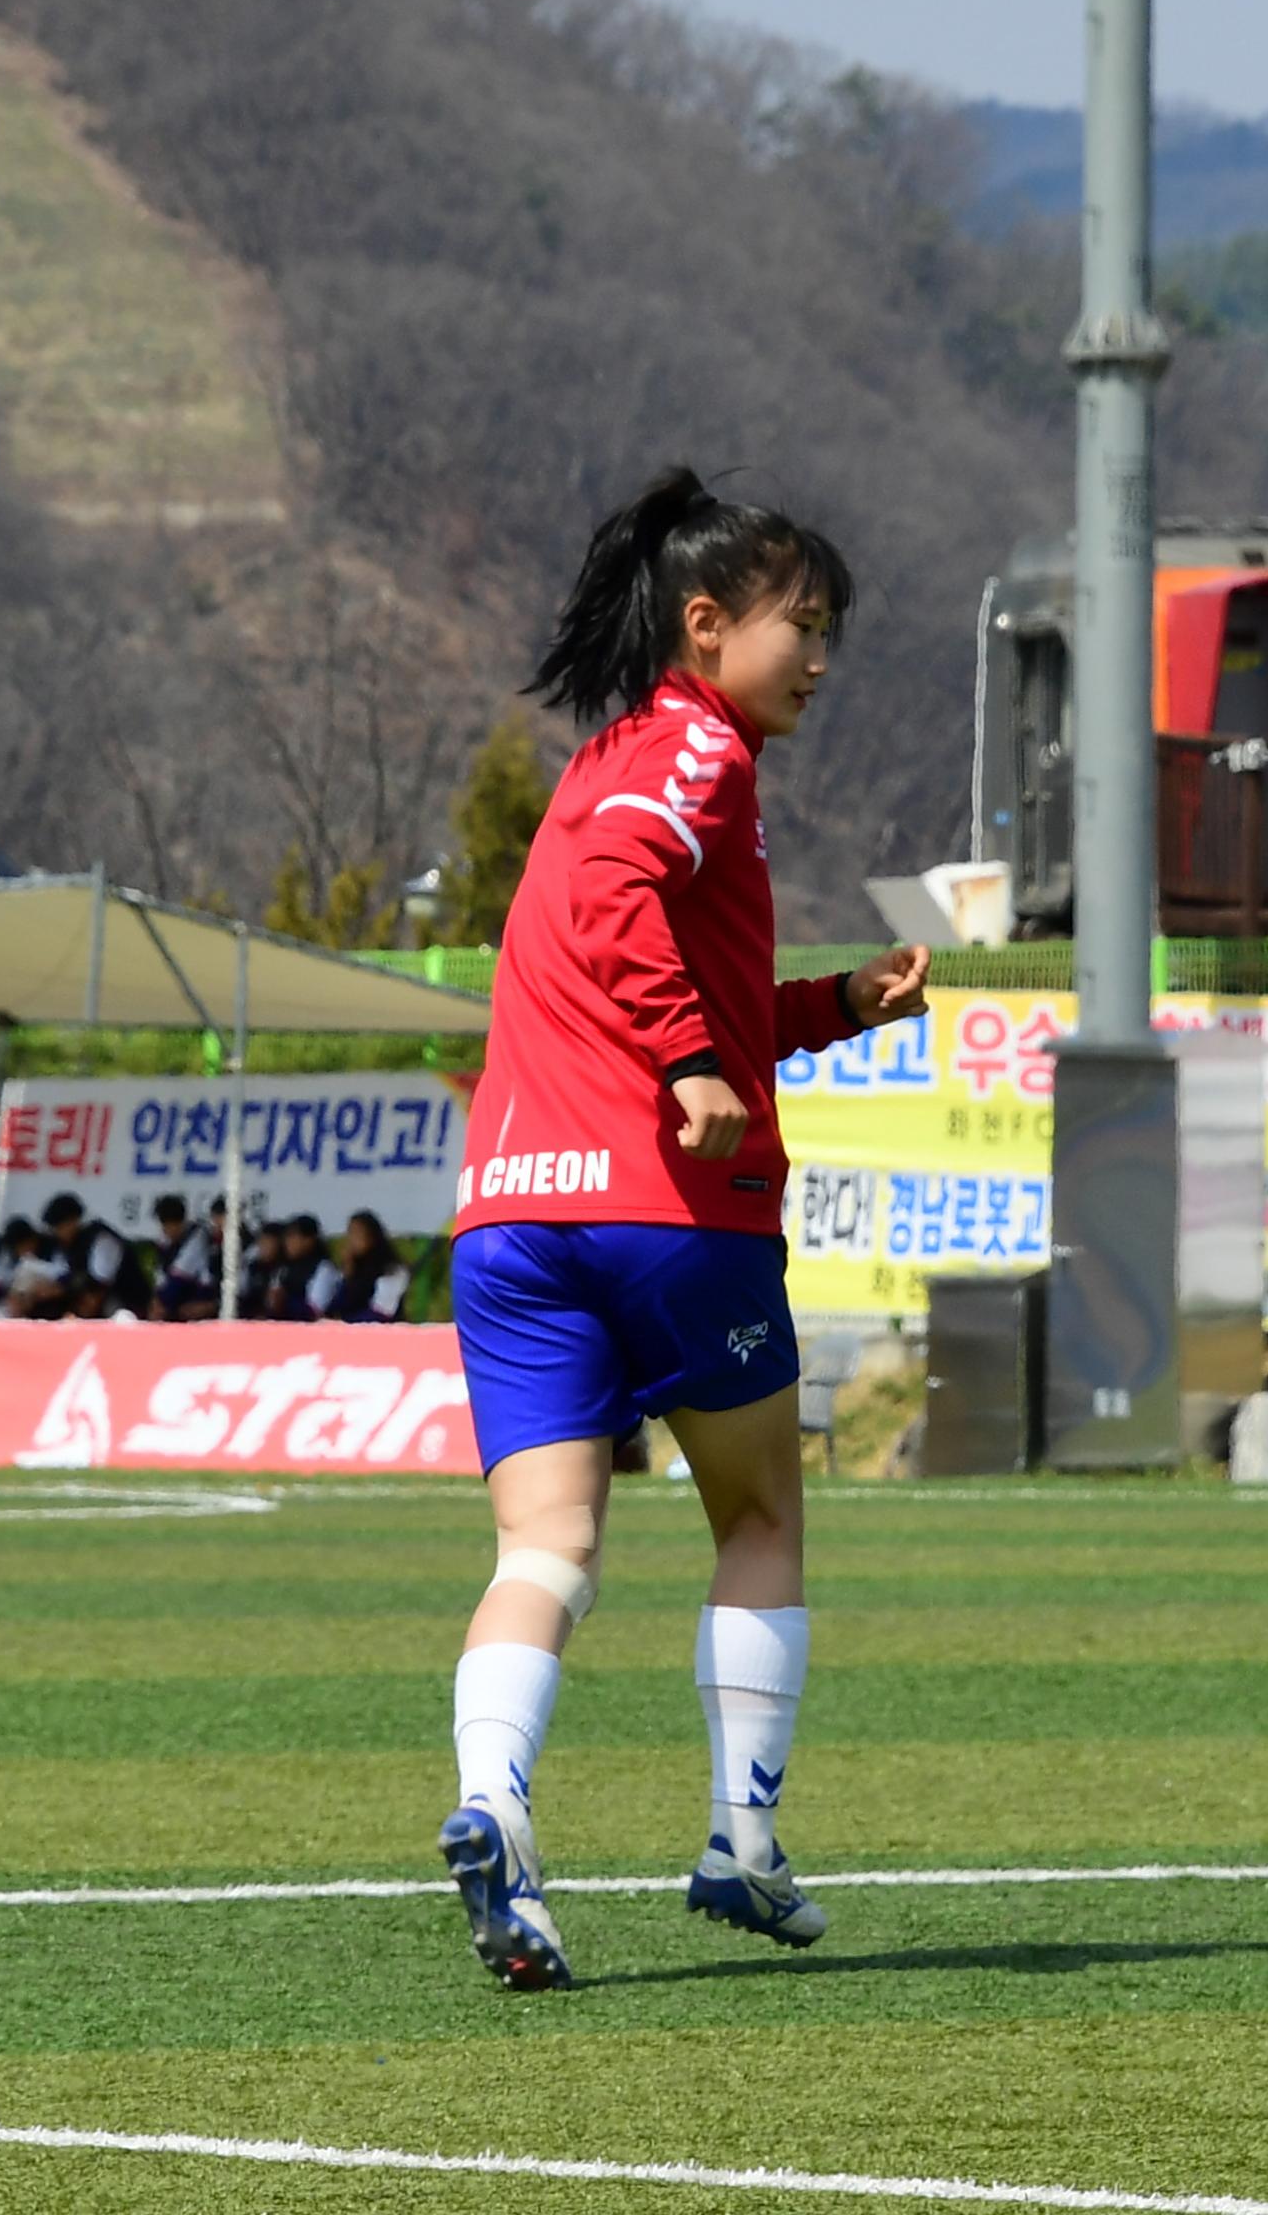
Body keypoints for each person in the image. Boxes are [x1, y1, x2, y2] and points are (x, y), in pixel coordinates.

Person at [433, 467, 927, 1991]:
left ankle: (495, 1807)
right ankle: (742, 1842)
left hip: (511, 1221)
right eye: (807, 624)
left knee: (548, 1543)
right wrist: (694, 1064)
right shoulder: (693, 758)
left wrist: (826, 1010)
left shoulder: (607, 763)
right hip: (665, 1216)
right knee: (761, 1518)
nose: (823, 657)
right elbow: (621, 908)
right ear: (707, 626)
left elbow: (632, 945)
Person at [329, 1211, 413, 1322]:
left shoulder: (393, 1269)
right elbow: (336, 1307)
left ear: (372, 1237)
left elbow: (381, 1311)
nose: (351, 1240)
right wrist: (347, 1276)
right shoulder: (352, 1267)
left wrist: (347, 1324)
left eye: (357, 1233)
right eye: (349, 1233)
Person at [151, 1194, 218, 1317]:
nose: (164, 1230)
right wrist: (157, 1301)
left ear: (179, 1223)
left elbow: (180, 1277)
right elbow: (160, 1277)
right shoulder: (165, 1241)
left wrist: (162, 1304)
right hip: (177, 1296)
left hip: (202, 1295)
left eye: (168, 1225)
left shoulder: (197, 1236)